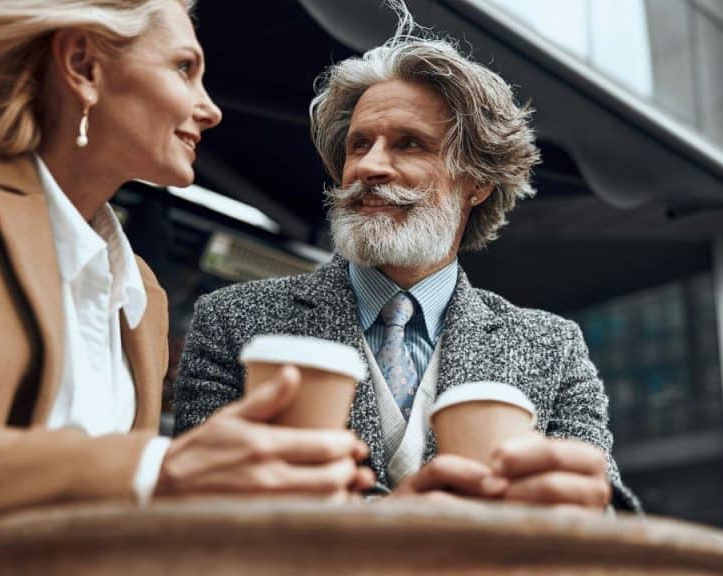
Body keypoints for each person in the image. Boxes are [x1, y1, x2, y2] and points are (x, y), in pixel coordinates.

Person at [0, 0, 371, 562]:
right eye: (184, 68)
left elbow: (116, 533)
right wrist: (159, 469)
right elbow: (133, 481)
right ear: (83, 65)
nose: (211, 109)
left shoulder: (141, 296)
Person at [174, 21, 641, 512]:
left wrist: (582, 504)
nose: (369, 167)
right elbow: (199, 514)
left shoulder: (554, 348)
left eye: (408, 144)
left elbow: (604, 522)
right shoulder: (230, 322)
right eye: (359, 144)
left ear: (477, 183)